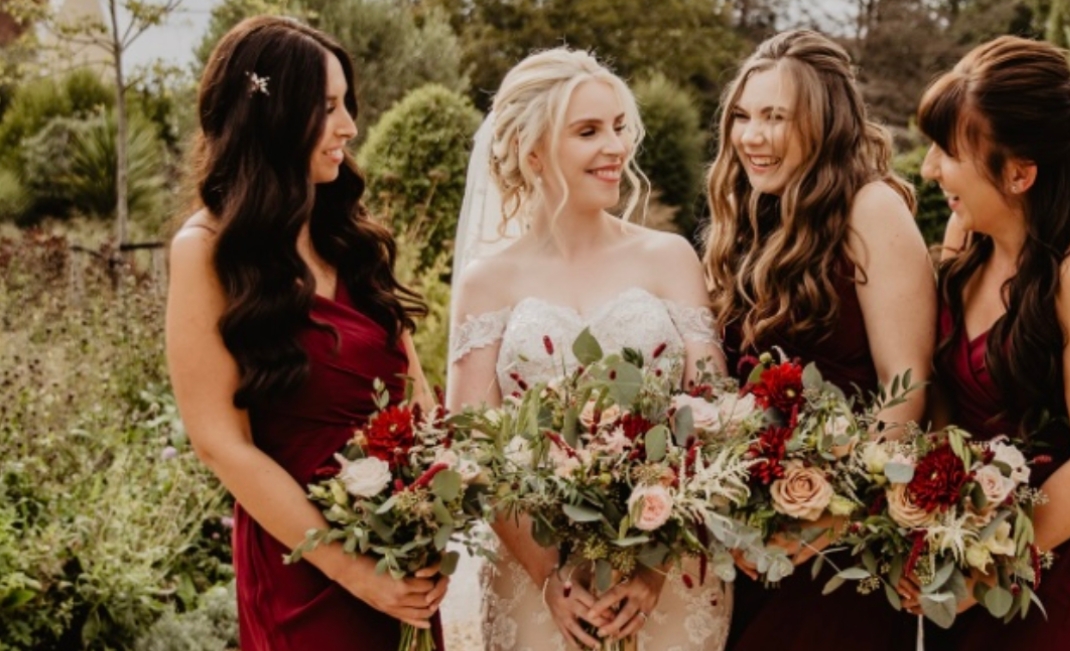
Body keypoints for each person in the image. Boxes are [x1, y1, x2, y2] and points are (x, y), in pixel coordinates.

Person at [165, 16, 447, 650]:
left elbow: (418, 394)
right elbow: (219, 443)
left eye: (347, 104)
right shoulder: (207, 250)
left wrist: (437, 501)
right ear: (271, 118)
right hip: (305, 565)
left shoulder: (348, 239)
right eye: (327, 107)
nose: (348, 126)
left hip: (401, 557)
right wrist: (357, 573)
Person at [445, 47, 732, 651]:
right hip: (537, 583)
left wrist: (653, 565)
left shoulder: (670, 258)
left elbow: (713, 415)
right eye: (588, 131)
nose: (616, 148)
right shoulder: (486, 281)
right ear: (533, 153)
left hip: (670, 578)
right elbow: (473, 446)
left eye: (619, 128)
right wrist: (549, 576)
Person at [915, 35, 1070, 650]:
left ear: (1020, 173)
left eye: (948, 153)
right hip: (968, 551)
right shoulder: (966, 236)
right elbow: (946, 388)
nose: (929, 170)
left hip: (1069, 567)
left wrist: (983, 566)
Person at [702, 28, 936, 651]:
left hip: (836, 553)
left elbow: (906, 388)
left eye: (776, 117)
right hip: (749, 541)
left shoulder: (872, 209)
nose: (752, 136)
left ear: (826, 122)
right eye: (744, 116)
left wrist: (823, 522)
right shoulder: (754, 219)